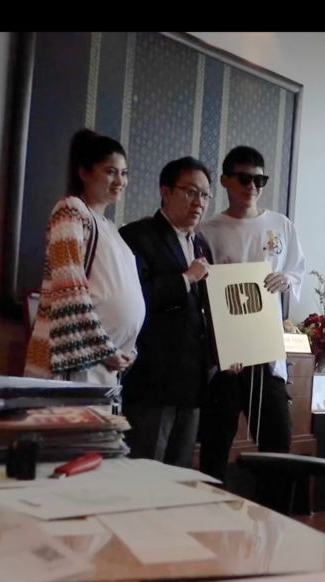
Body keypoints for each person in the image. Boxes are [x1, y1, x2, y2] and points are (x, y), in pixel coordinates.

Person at [197, 145, 305, 483]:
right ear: (225, 181)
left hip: (266, 351)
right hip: (226, 356)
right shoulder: (208, 231)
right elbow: (203, 292)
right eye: (244, 179)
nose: (252, 187)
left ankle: (274, 509)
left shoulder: (281, 225)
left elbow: (296, 271)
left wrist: (286, 279)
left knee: (277, 438)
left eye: (260, 180)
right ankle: (210, 505)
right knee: (215, 442)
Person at [24, 129, 144, 384]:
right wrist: (105, 349)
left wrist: (127, 350)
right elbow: (69, 289)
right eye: (110, 171)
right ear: (84, 173)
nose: (120, 180)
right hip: (73, 361)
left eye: (124, 173)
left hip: (106, 364)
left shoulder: (112, 229)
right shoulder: (71, 210)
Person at [117, 157, 215, 467]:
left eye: (205, 195)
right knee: (145, 471)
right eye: (191, 192)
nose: (199, 202)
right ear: (165, 191)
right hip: (153, 380)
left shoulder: (201, 244)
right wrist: (186, 278)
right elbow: (136, 298)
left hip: (192, 382)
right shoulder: (137, 236)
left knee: (180, 475)